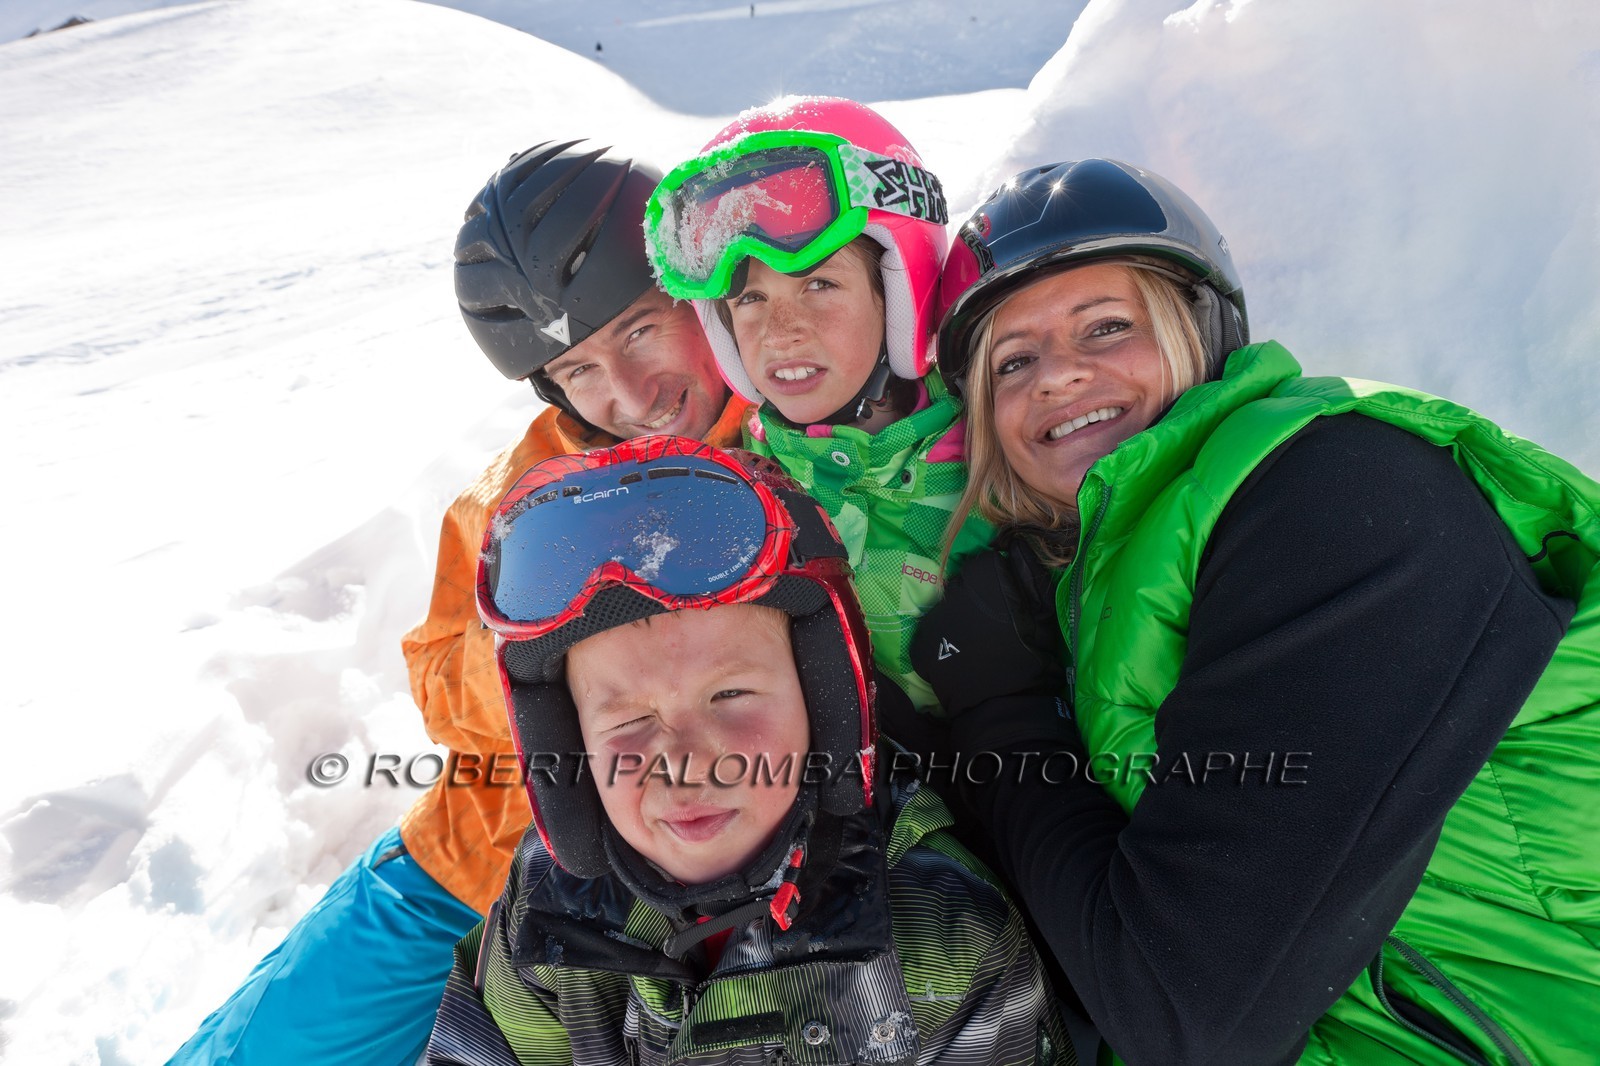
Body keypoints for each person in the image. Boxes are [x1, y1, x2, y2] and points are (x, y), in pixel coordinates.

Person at [908, 157, 1600, 1064]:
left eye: (1107, 326)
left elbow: (1187, 1012)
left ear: (1202, 333)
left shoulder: (1342, 494)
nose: (1058, 376)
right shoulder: (1107, 587)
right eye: (1014, 361)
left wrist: (1005, 714)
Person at [169, 141, 747, 1066]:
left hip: (693, 874)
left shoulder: (794, 438)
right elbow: (442, 688)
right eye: (580, 371)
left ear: (700, 295)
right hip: (477, 857)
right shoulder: (522, 492)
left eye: (640, 331)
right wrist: (543, 626)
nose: (631, 395)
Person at [424, 436, 1071, 1065]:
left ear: (823, 704)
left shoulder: (946, 935)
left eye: (730, 695)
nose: (684, 764)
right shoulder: (550, 905)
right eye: (630, 720)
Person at [644, 96, 993, 714]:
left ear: (900, 292)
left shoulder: (998, 462)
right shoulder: (733, 497)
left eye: (820, 284)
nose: (780, 333)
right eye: (750, 300)